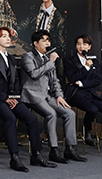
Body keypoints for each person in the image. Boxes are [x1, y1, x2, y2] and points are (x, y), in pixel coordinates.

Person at [0, 27, 51, 170]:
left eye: (8, 36)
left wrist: (14, 97)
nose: (8, 39)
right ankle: (14, 157)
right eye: (4, 36)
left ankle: (36, 155)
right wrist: (5, 98)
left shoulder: (11, 58)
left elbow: (17, 80)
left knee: (32, 119)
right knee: (10, 118)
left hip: (11, 98)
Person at [19, 30, 86, 164]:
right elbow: (33, 74)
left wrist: (59, 96)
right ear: (35, 43)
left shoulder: (47, 59)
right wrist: (50, 62)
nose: (47, 43)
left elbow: (55, 81)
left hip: (48, 95)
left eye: (48, 40)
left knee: (70, 114)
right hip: (33, 94)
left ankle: (70, 149)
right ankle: (54, 150)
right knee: (51, 114)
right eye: (44, 40)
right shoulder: (28, 56)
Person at [64, 34, 102, 159]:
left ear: (89, 47)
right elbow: (72, 78)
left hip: (90, 93)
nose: (81, 47)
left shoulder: (95, 62)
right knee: (92, 109)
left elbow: (98, 80)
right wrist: (85, 67)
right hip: (75, 93)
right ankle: (87, 131)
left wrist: (82, 83)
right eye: (79, 44)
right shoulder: (69, 61)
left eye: (84, 44)